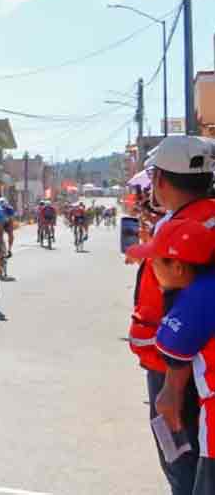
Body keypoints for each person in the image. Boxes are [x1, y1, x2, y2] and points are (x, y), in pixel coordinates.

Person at [128, 136, 215, 494]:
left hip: (176, 370)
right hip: (190, 369)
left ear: (161, 180)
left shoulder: (178, 232)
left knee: (184, 466)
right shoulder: (204, 217)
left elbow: (185, 312)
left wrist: (170, 388)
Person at [137, 220, 215, 494]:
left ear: (178, 267)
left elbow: (165, 346)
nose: (151, 270)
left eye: (155, 263)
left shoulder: (196, 300)